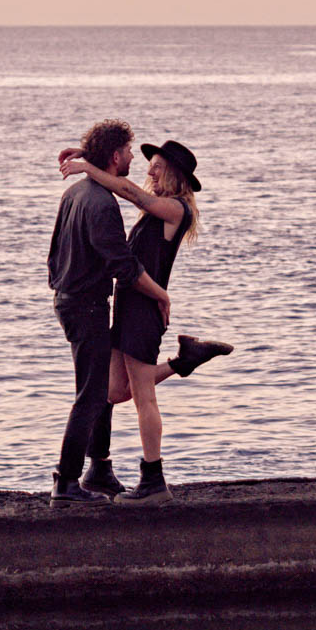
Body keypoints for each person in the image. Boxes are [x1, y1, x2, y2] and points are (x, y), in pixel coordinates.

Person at [59, 138, 232, 505]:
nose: (149, 170)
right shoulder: (156, 212)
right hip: (128, 306)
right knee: (116, 391)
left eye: (156, 165)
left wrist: (89, 167)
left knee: (143, 398)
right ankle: (184, 360)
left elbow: (132, 194)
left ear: (173, 172)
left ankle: (153, 481)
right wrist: (91, 157)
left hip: (143, 313)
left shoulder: (175, 209)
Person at [47, 120, 172, 507]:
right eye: (130, 151)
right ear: (116, 156)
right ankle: (66, 483)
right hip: (86, 306)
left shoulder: (75, 193)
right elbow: (125, 267)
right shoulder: (102, 203)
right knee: (92, 394)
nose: (135, 157)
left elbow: (53, 253)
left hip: (68, 298)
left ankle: (98, 468)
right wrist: (162, 295)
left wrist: (87, 159)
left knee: (98, 390)